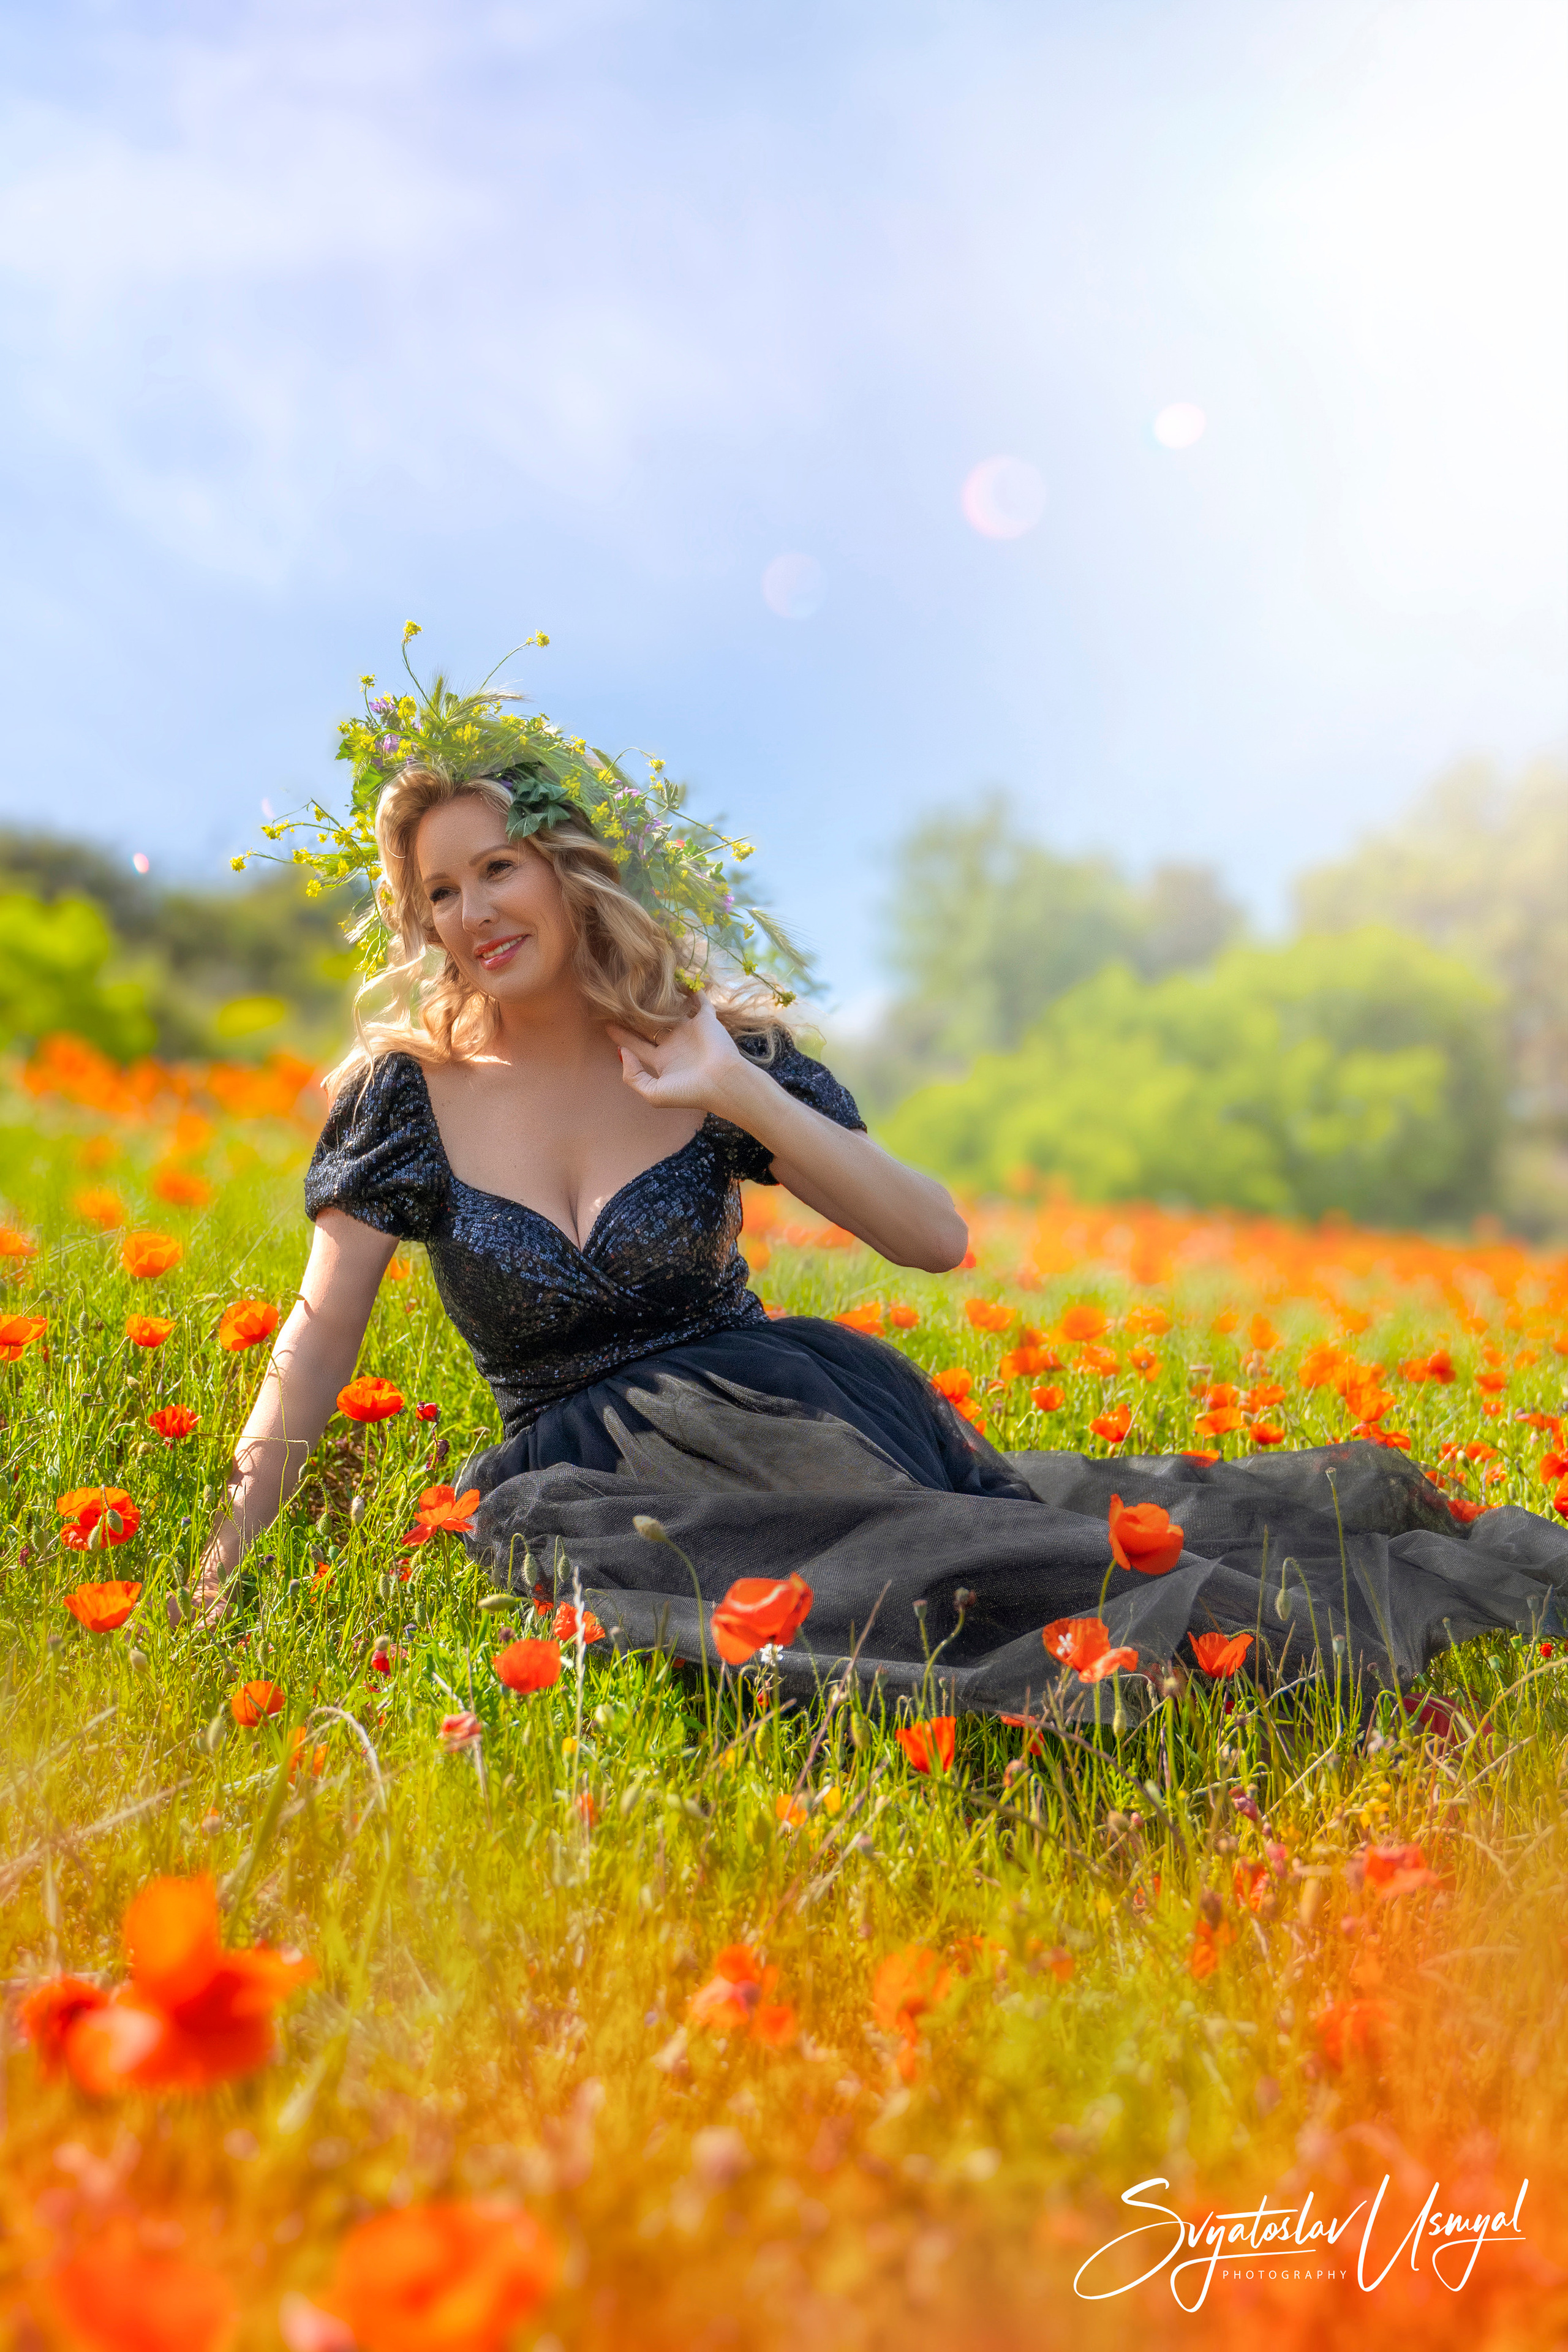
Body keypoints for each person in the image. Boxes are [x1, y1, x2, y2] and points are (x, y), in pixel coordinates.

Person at [200, 648, 1568, 1721]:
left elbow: (933, 1236)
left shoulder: (714, 1050)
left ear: (568, 871)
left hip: (796, 1416)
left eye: (498, 867)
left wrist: (729, 1090)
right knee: (866, 1614)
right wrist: (223, 1569)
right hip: (588, 1476)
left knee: (1037, 1578)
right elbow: (316, 1347)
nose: (474, 913)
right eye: (439, 891)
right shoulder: (403, 1100)